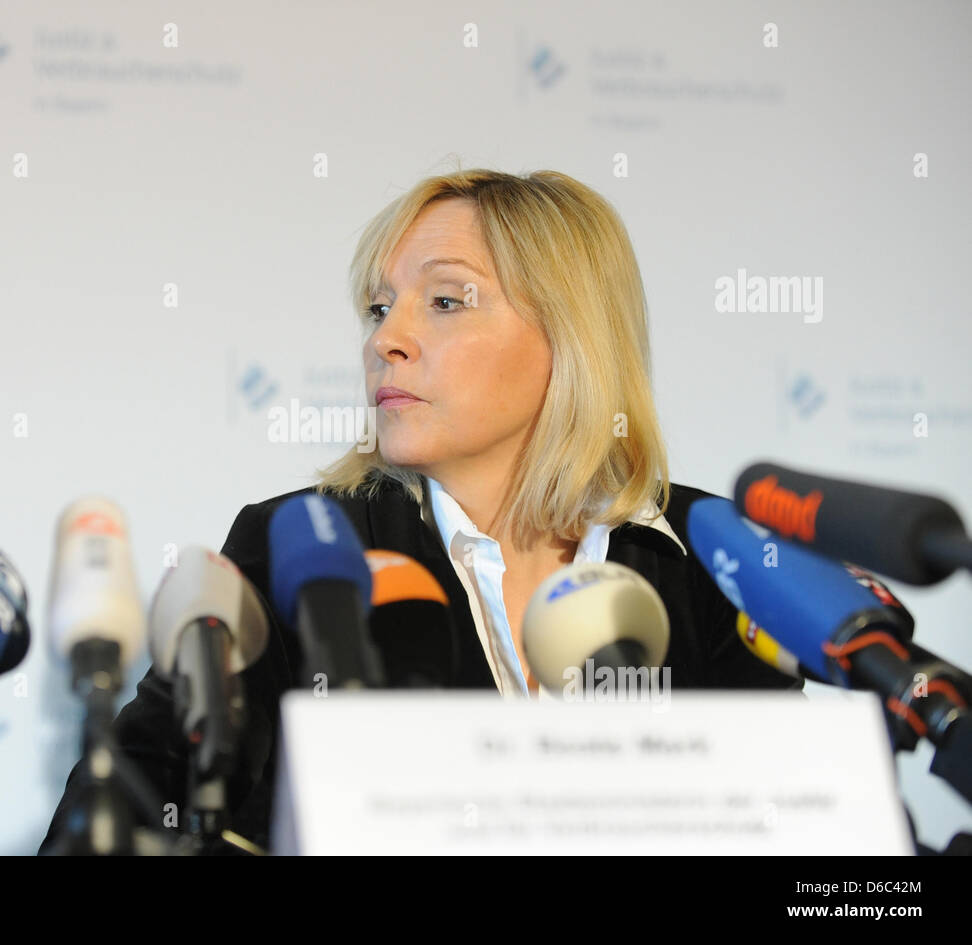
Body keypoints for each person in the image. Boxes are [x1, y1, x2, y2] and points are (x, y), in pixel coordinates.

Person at [40, 168, 802, 855]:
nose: (386, 340)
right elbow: (123, 815)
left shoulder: (715, 559)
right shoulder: (300, 550)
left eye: (444, 300)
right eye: (378, 307)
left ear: (573, 334)